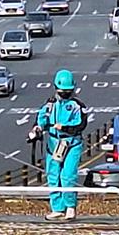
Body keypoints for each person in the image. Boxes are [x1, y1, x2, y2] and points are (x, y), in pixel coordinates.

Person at [32, 69, 87, 221]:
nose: (64, 94)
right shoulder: (50, 105)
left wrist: (64, 127)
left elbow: (81, 124)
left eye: (67, 91)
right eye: (62, 91)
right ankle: (57, 208)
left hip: (71, 143)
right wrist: (37, 129)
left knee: (68, 175)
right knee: (53, 175)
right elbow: (40, 120)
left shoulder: (77, 105)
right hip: (53, 144)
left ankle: (70, 206)